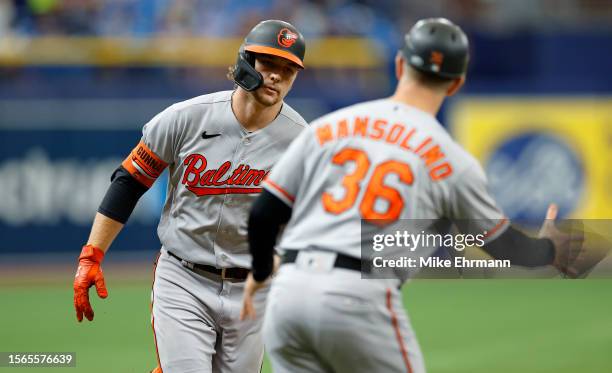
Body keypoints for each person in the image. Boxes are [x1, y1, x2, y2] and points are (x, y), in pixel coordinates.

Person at [240, 18, 591, 373]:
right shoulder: (452, 161)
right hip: (358, 297)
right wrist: (550, 249)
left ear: (400, 65)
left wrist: (260, 269)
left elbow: (264, 214)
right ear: (456, 84)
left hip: (288, 295)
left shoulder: (329, 126)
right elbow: (505, 247)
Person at [72, 19, 308, 372]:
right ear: (245, 61)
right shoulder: (187, 118)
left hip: (253, 288)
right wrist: (91, 255)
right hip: (184, 278)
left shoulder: (301, 140)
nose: (276, 75)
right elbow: (129, 182)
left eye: (287, 69)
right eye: (268, 63)